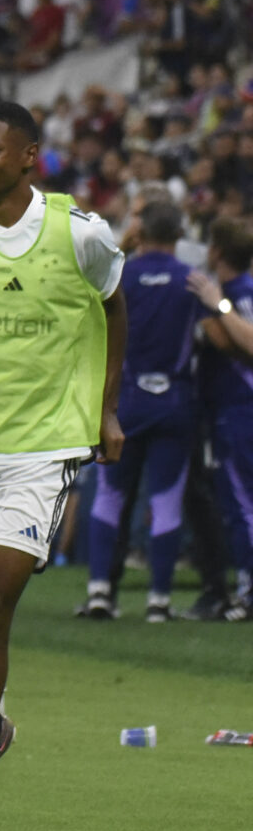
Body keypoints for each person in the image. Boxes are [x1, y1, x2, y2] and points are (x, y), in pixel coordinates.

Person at [0, 100, 125, 820]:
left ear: (29, 156)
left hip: (40, 451)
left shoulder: (82, 234)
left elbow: (113, 307)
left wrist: (103, 409)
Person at [80, 199, 203, 623]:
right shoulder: (191, 281)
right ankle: (159, 601)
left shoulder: (123, 276)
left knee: (111, 497)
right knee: (166, 501)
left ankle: (99, 592)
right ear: (179, 234)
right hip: (174, 400)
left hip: (125, 401)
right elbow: (215, 338)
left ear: (143, 231)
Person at [190, 217, 253, 623]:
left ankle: (248, 592)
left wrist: (218, 305)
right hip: (228, 410)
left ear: (217, 252)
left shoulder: (238, 294)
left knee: (241, 503)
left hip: (239, 409)